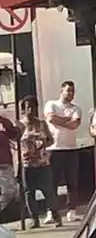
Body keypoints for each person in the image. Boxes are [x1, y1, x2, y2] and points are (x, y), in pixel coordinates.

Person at [17, 95, 62, 229]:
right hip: (27, 164)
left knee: (48, 190)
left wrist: (42, 143)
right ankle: (34, 219)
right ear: (23, 110)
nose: (31, 110)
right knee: (29, 192)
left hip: (42, 163)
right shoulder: (19, 125)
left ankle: (56, 215)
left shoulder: (41, 124)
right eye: (28, 107)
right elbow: (14, 143)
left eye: (33, 107)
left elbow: (51, 140)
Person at [44, 80, 82, 223]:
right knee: (52, 182)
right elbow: (51, 118)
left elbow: (74, 125)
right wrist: (66, 119)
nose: (70, 93)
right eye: (68, 90)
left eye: (72, 91)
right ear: (61, 91)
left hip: (71, 148)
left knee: (72, 181)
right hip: (54, 148)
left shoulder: (76, 109)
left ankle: (71, 211)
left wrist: (61, 120)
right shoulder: (51, 104)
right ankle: (51, 212)